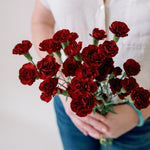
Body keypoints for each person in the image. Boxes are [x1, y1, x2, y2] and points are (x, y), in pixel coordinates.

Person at [31, 0, 150, 149]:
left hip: (137, 119)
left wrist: (138, 113)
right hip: (72, 108)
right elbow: (42, 21)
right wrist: (63, 86)